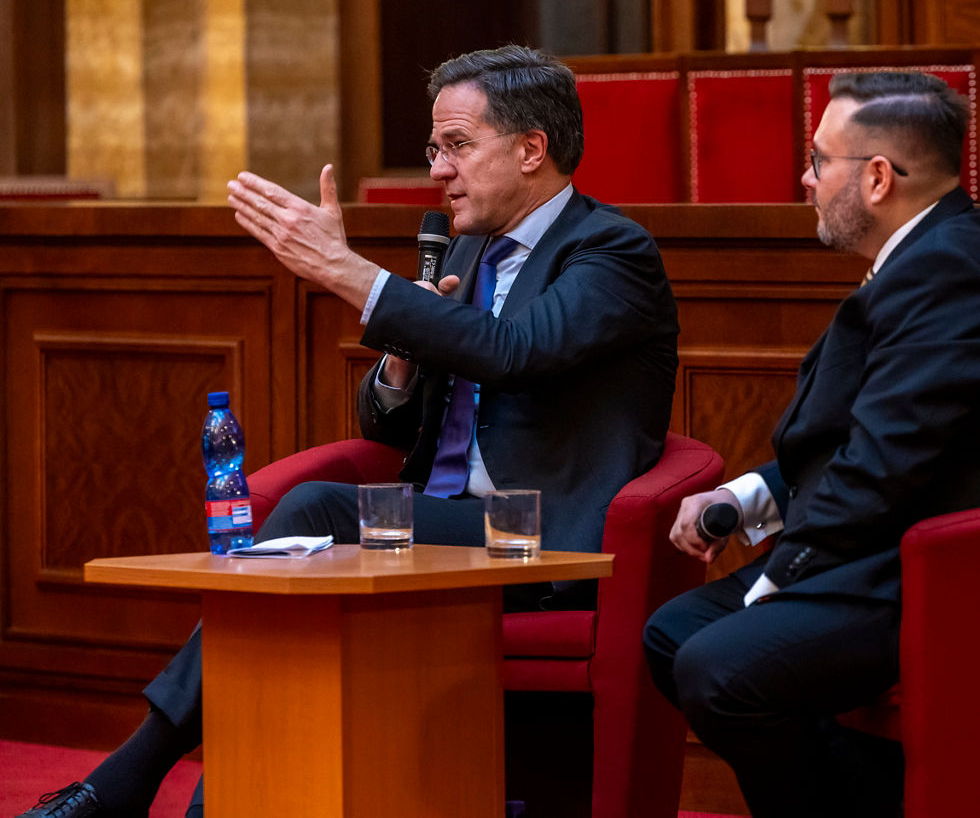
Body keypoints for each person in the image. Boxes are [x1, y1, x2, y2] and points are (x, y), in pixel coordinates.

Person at [18, 45, 678, 818]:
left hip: (532, 538)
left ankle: (131, 780)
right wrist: (402, 354)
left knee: (316, 512)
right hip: (438, 518)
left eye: (458, 146)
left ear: (532, 149)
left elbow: (515, 355)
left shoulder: (609, 251)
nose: (438, 169)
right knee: (288, 593)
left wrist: (352, 274)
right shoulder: (470, 250)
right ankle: (191, 796)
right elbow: (387, 423)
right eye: (435, 147)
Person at [642, 71, 980, 817]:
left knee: (722, 666)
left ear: (876, 177)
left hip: (951, 573)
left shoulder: (951, 270)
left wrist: (774, 584)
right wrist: (741, 496)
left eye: (818, 160)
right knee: (673, 632)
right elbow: (860, 443)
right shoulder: (926, 258)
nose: (803, 178)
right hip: (894, 547)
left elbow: (882, 467)